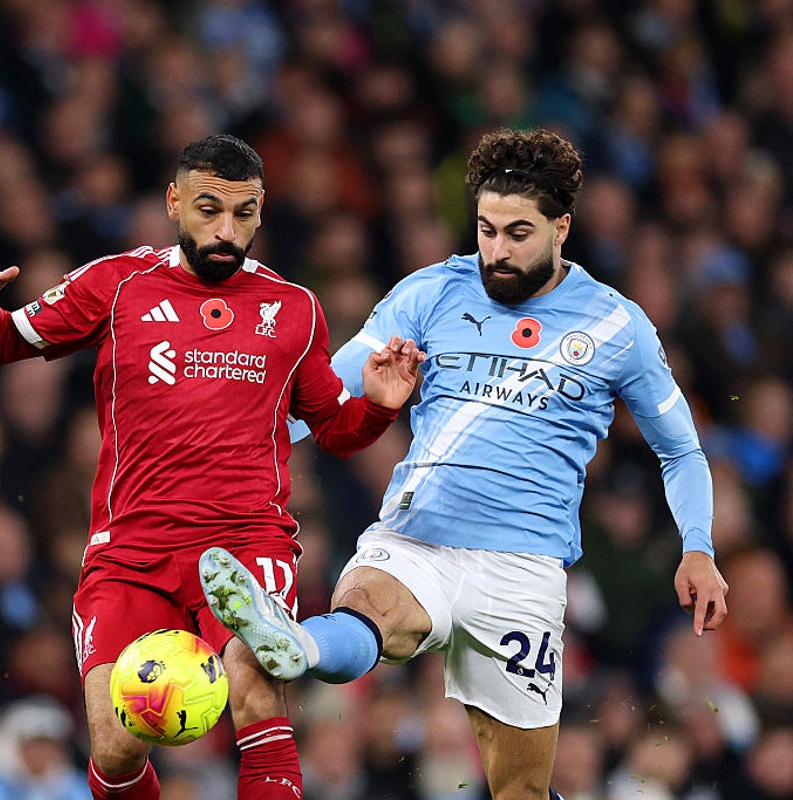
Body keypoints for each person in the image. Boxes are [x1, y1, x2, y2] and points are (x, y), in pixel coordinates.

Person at [199, 128, 730, 800]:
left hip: (523, 570)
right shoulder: (431, 292)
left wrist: (698, 547)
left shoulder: (616, 326)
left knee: (521, 790)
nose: (497, 252)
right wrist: (232, 450)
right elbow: (329, 394)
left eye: (518, 234)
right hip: (418, 536)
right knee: (369, 607)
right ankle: (299, 646)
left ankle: (306, 645)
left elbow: (680, 449)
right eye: (486, 230)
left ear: (562, 228)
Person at [0, 133, 424, 800]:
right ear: (174, 202)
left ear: (260, 212)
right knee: (114, 746)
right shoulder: (117, 284)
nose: (227, 231)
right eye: (208, 209)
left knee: (255, 685)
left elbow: (336, 432)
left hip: (245, 542)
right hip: (131, 551)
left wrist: (377, 406)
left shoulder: (293, 309)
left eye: (244, 214)